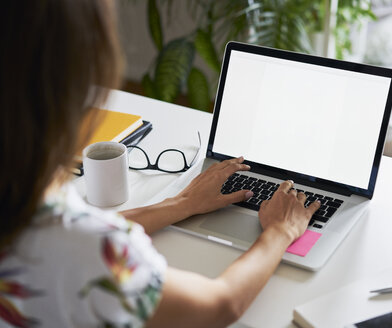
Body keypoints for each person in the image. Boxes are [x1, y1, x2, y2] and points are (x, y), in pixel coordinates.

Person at [0, 1, 320, 327]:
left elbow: (58, 229)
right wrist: (281, 231)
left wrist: (180, 204)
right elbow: (219, 305)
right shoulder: (93, 251)